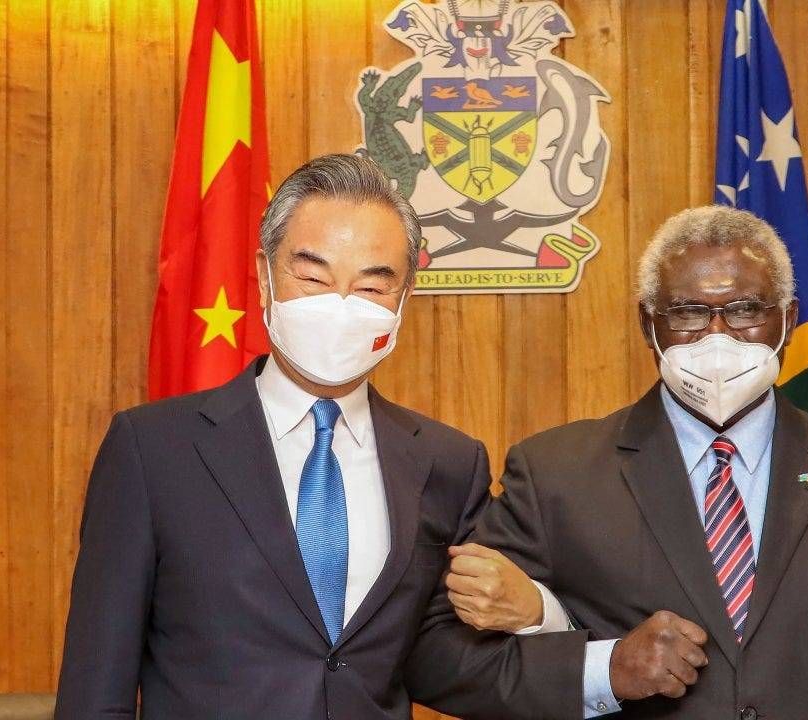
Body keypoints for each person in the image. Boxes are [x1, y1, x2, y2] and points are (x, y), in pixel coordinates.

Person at [55, 154, 588, 719]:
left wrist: (542, 614)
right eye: (312, 278)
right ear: (265, 278)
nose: (340, 306)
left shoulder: (447, 462)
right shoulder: (152, 450)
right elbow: (97, 686)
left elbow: (447, 659)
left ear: (404, 299)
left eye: (372, 286)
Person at [441, 205, 808, 719]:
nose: (718, 336)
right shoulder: (555, 475)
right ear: (648, 325)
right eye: (687, 313)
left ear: (788, 320)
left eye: (746, 310)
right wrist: (604, 670)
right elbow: (447, 659)